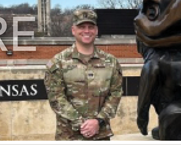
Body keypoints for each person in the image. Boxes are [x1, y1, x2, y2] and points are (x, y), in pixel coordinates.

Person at [44, 9, 123, 140]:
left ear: (96, 30)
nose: (87, 31)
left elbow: (115, 94)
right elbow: (56, 98)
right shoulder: (58, 62)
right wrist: (81, 124)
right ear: (73, 30)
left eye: (90, 27)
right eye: (81, 27)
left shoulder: (111, 62)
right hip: (69, 135)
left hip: (100, 134)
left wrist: (98, 121)